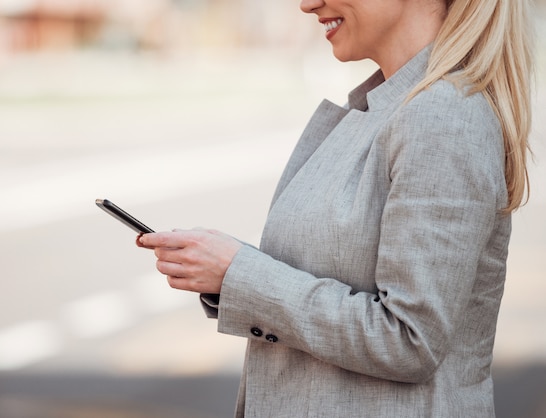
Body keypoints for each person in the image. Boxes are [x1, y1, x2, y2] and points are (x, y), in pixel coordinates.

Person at [138, 0, 534, 416]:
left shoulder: (442, 117)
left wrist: (242, 275)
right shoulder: (385, 109)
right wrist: (226, 269)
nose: (308, 4)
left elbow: (409, 340)